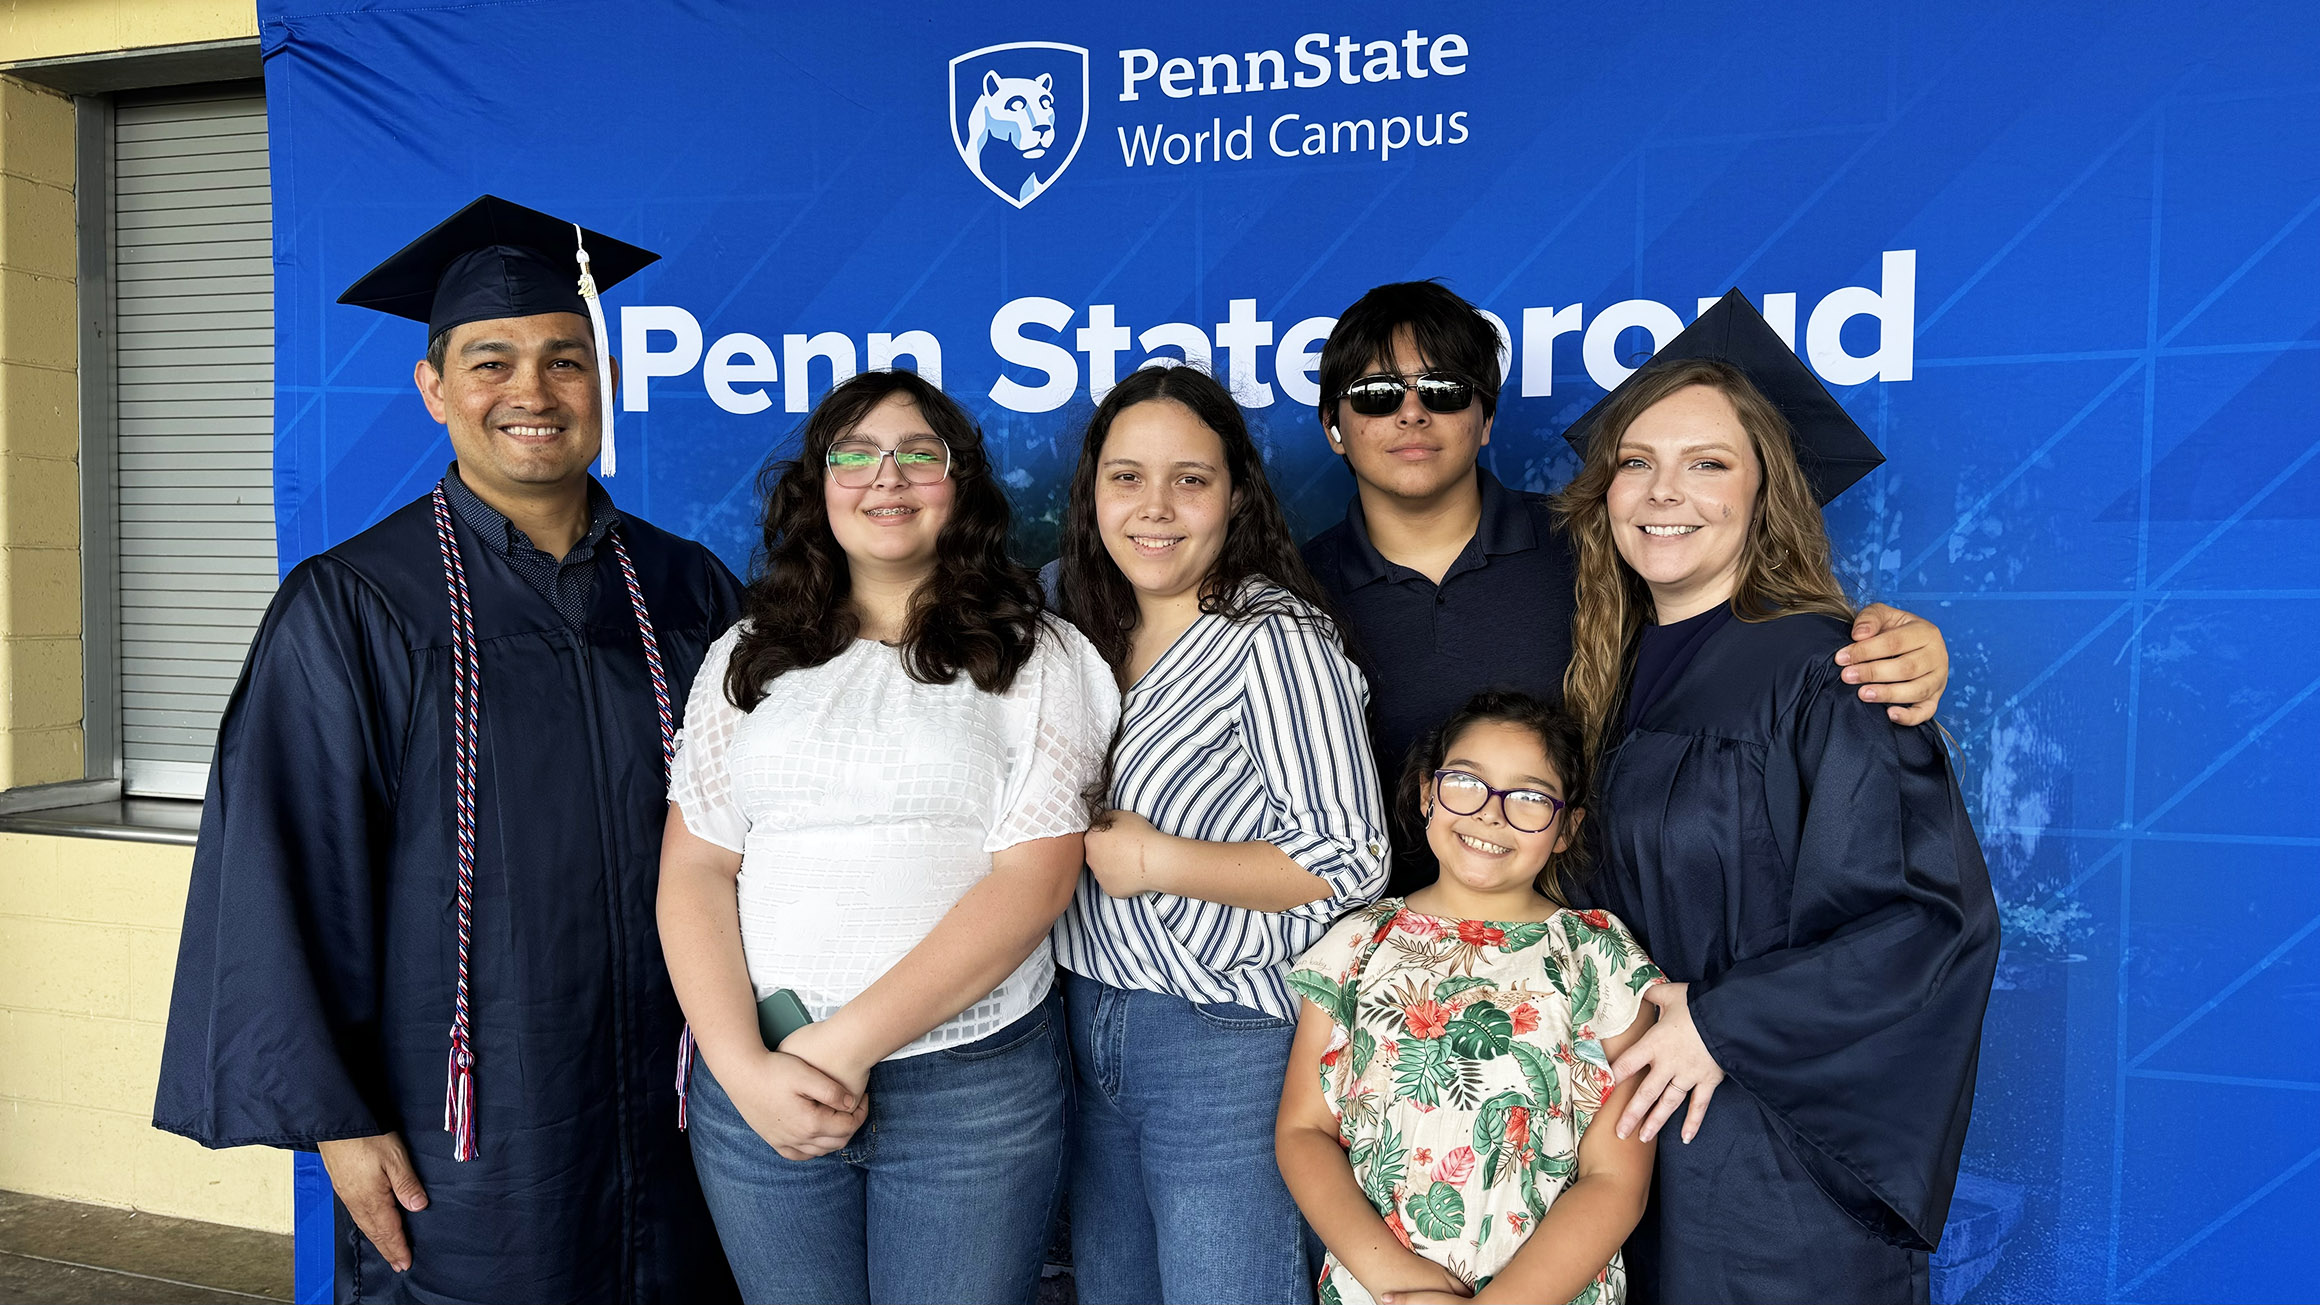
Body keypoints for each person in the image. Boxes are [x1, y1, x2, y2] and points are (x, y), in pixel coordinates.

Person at [154, 196, 743, 1302]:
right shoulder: (357, 603)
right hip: (469, 1142)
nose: (531, 391)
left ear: (603, 382)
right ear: (434, 389)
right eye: (490, 360)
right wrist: (340, 1123)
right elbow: (281, 871)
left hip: (690, 1112)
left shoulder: (688, 588)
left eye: (564, 360)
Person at [1553, 293, 1999, 1304]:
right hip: (1629, 1142)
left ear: (1767, 492)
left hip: (1765, 1165)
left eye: (1708, 462)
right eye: (1637, 461)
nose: (1665, 492)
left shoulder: (1824, 669)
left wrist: (1719, 1023)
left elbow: (1927, 921)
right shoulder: (1606, 675)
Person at [657, 370, 1116, 1305]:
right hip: (759, 1083)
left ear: (963, 485)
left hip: (968, 1092)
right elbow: (696, 867)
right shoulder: (746, 653)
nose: (886, 478)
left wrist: (838, 1048)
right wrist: (745, 1067)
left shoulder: (1041, 653)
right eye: (855, 455)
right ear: (818, 486)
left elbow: (1032, 882)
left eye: (920, 455)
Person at [1298, 281, 1955, 897]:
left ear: (1486, 418)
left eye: (1442, 389)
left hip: (1591, 945)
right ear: (1333, 424)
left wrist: (1900, 643)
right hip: (1385, 963)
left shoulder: (1596, 541)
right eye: (1378, 395)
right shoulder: (1291, 594)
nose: (1412, 413)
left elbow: (1733, 620)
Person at [1049, 363, 1389, 1304]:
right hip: (1086, 1018)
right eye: (1127, 477)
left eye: (1189, 480)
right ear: (1093, 492)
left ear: (1234, 494)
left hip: (1222, 1033)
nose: (1155, 507)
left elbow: (1351, 856)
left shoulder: (1276, 639)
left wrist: (1159, 858)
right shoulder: (1076, 625)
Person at [1280, 690, 1662, 1305]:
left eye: (1531, 797)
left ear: (1567, 828)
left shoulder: (1598, 956)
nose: (1491, 815)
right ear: (1429, 793)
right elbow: (1302, 1131)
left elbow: (1617, 1181)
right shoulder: (1355, 945)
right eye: (1467, 782)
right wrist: (1399, 1285)